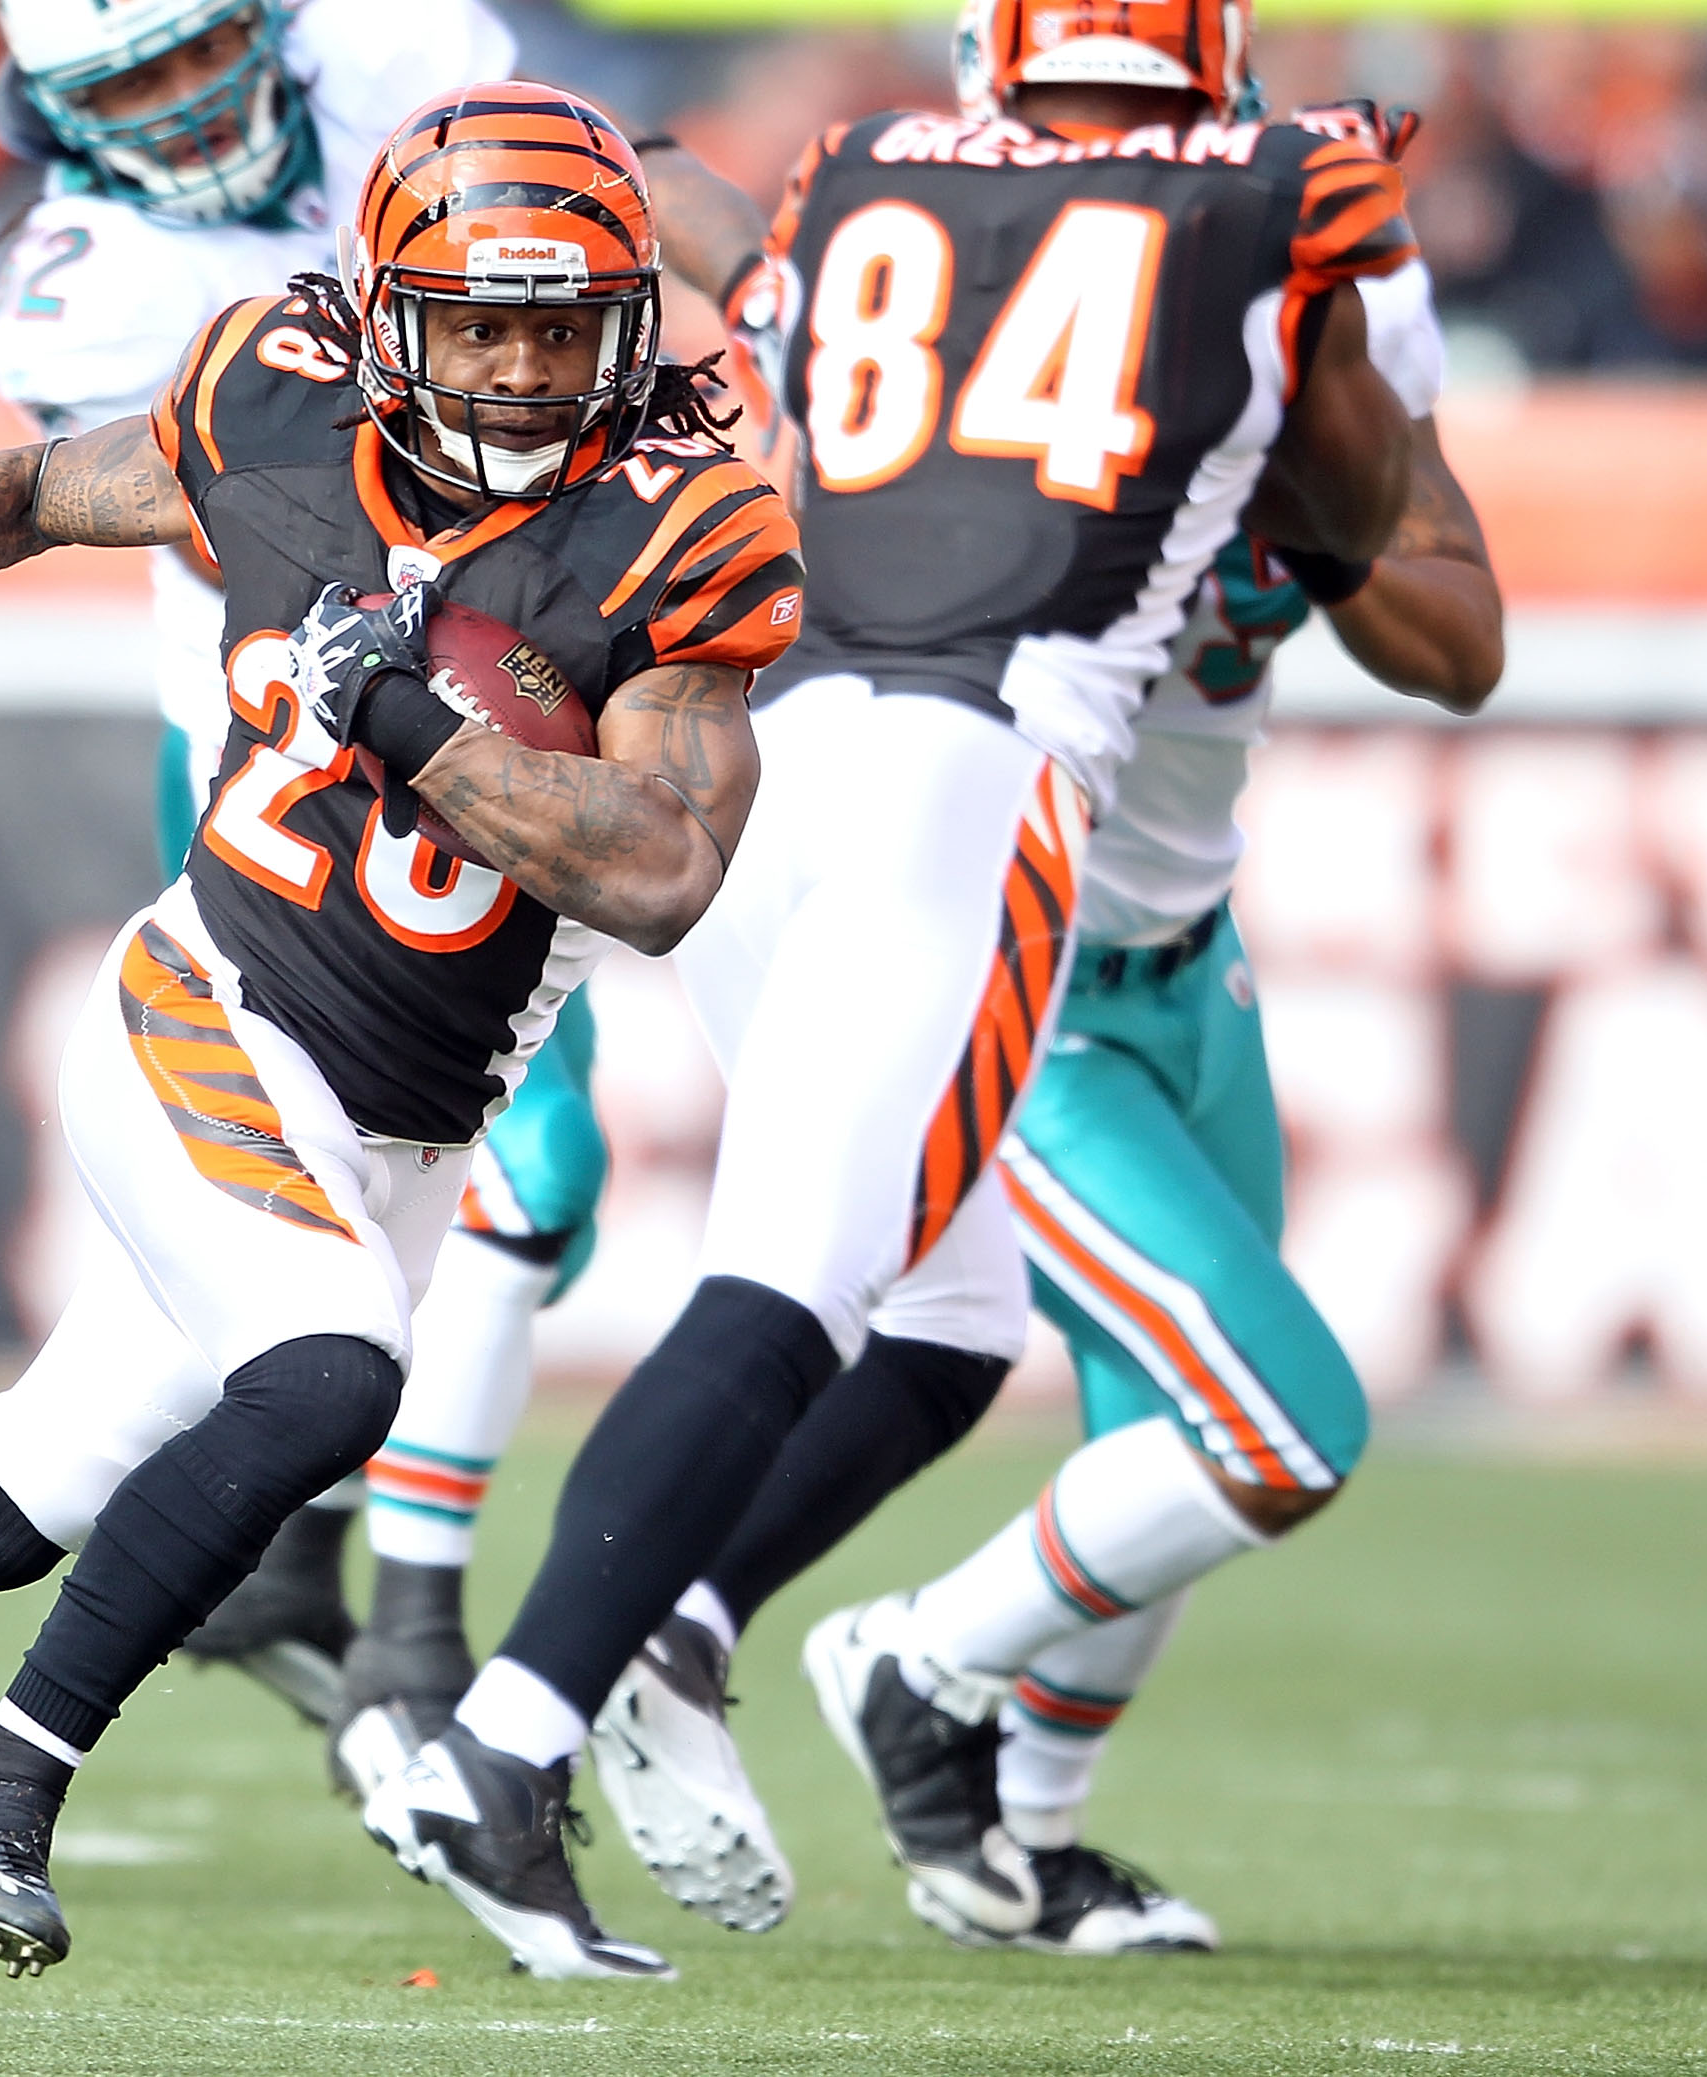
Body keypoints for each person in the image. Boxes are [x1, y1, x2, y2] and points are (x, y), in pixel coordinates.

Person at [0, 86, 802, 1982]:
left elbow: (668, 868)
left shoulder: (681, 530)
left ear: (629, 327)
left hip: (408, 1112)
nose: (522, 370)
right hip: (209, 998)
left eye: (562, 324)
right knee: (335, 1371)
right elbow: (39, 491)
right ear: (383, 317)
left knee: (22, 1496)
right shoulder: (278, 407)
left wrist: (423, 733)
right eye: (478, 322)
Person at [363, 0, 1421, 1976]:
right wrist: (1312, 335)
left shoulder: (856, 172)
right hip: (979, 760)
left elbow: (690, 222)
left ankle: (671, 1632)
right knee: (793, 1291)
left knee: (950, 1310)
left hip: (771, 745)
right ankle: (503, 1746)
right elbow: (1359, 520)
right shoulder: (1285, 188)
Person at [593, 115, 1505, 1951]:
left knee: (1158, 1451)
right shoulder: (991, 389)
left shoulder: (1316, 375)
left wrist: (1300, 490)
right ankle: (907, 1663)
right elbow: (744, 255)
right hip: (1025, 973)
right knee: (1274, 1427)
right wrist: (597, 149)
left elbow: (1463, 637)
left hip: (1187, 957)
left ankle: (1011, 1833)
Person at [0, 0, 620, 1753]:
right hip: (284, 729)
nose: (184, 113)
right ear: (62, 120)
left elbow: (588, 258)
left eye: (197, 58)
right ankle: (408, 1640)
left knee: (527, 1192)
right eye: (131, 90)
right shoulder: (82, 279)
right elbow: (239, 498)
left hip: (494, 682)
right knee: (518, 1161)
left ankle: (313, 1568)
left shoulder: (403, 55)